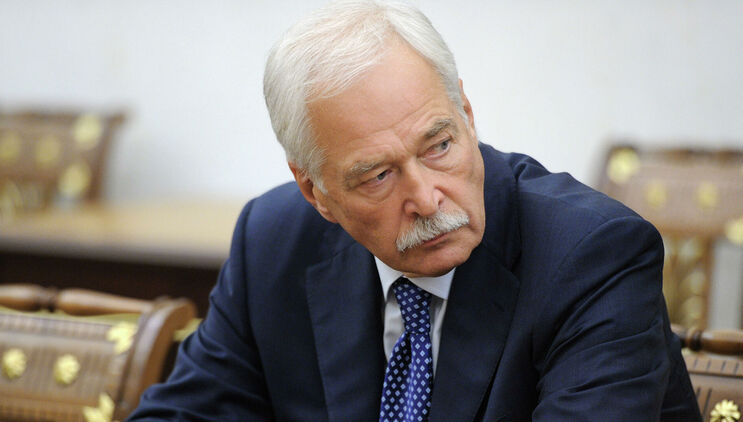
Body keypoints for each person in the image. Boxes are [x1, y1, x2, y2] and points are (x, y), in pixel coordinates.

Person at [128, 0, 701, 420]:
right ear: (315, 192)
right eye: (377, 176)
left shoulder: (594, 256)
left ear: (467, 113)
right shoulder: (273, 242)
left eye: (439, 146)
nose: (427, 199)